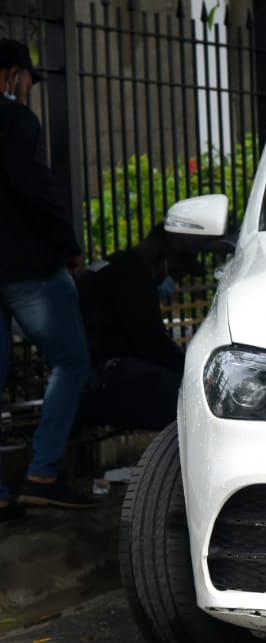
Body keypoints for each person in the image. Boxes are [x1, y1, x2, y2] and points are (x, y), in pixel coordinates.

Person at [0, 39, 94, 521]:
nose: (29, 90)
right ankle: (42, 474)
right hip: (26, 266)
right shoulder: (15, 120)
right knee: (72, 361)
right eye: (28, 81)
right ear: (12, 75)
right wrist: (67, 247)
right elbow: (37, 189)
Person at [76, 224, 198, 430]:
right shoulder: (132, 278)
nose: (173, 282)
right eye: (176, 274)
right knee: (190, 400)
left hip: (92, 375)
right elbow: (153, 343)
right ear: (160, 255)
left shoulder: (117, 266)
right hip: (103, 376)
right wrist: (192, 371)